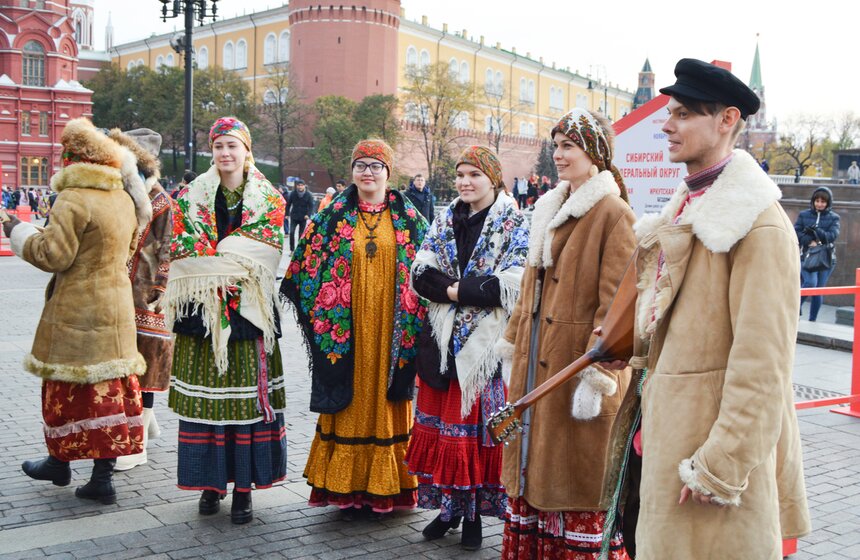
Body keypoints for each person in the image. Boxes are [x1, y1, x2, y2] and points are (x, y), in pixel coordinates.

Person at [605, 58, 811, 560]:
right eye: (668, 111)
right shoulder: (688, 209)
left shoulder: (758, 226)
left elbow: (763, 368)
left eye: (684, 114)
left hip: (705, 466)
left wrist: (720, 466)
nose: (667, 124)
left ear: (727, 121)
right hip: (669, 445)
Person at [495, 108, 636, 560]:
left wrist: (597, 379)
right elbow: (528, 291)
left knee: (572, 486)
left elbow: (618, 307)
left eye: (568, 145)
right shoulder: (547, 208)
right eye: (555, 145)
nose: (558, 154)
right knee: (533, 481)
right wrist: (511, 347)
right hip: (535, 368)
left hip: (575, 375)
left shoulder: (613, 213)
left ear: (594, 152)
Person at [4, 118, 150, 504]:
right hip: (115, 307)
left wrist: (13, 229)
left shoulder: (73, 197)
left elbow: (54, 255)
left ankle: (59, 462)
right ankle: (102, 478)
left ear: (71, 159)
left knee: (65, 388)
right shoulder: (122, 197)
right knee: (108, 390)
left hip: (77, 309)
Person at [280, 139, 427, 518]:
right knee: (349, 393)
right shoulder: (331, 217)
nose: (367, 172)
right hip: (347, 331)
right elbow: (304, 267)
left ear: (388, 173)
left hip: (392, 332)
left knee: (389, 397)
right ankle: (344, 485)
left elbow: (430, 269)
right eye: (360, 164)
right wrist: (326, 309)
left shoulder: (410, 219)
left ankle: (388, 486)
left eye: (375, 166)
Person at [164, 117, 287, 524]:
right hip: (202, 315)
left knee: (246, 405)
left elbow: (263, 253)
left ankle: (244, 491)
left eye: (232, 145)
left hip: (249, 313)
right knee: (207, 404)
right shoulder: (189, 197)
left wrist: (216, 264)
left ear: (246, 150)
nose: (225, 153)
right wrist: (222, 265)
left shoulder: (269, 199)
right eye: (218, 146)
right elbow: (183, 248)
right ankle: (210, 484)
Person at [405, 146, 528, 549]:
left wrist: (454, 290)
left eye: (473, 174)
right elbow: (421, 273)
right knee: (445, 436)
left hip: (482, 350)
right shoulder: (445, 217)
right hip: (441, 344)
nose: (464, 181)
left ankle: (473, 517)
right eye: (460, 174)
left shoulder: (511, 222)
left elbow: (511, 283)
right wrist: (463, 292)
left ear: (492, 178)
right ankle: (449, 510)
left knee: (473, 437)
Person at [107, 128, 175, 472]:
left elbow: (167, 247)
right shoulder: (119, 193)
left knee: (146, 364)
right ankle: (144, 425)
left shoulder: (160, 199)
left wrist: (159, 289)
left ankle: (139, 441)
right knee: (126, 362)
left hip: (144, 293)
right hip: (118, 289)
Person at [795, 186, 840, 321]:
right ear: (813, 201)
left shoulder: (834, 218)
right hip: (807, 256)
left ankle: (812, 320)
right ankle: (795, 308)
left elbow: (832, 236)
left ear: (828, 203)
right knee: (810, 283)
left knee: (819, 289)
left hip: (826, 258)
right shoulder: (804, 215)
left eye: (823, 202)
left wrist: (817, 231)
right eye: (817, 201)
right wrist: (809, 241)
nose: (819, 204)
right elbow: (795, 232)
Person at [287, 178, 314, 251]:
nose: (300, 187)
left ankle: (299, 250)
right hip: (294, 216)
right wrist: (287, 214)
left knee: (301, 234)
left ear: (304, 186)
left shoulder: (308, 195)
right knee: (291, 232)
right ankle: (292, 250)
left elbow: (311, 206)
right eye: (298, 185)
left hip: (303, 217)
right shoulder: (293, 193)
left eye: (301, 185)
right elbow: (288, 204)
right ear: (296, 186)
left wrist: (308, 214)